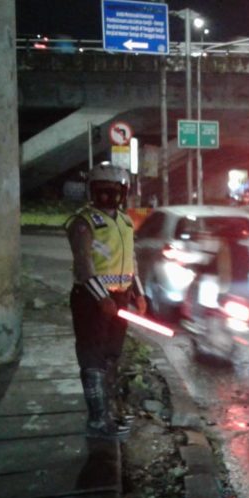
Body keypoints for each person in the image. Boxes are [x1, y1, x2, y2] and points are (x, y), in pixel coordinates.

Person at [66, 164, 146, 440]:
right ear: (91, 191)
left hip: (119, 299)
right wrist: (101, 297)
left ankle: (109, 411)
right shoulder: (83, 222)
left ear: (123, 192)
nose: (108, 196)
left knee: (112, 355)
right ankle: (97, 420)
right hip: (91, 301)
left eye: (114, 191)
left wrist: (138, 293)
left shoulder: (125, 222)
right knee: (93, 357)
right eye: (102, 190)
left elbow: (131, 261)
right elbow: (84, 265)